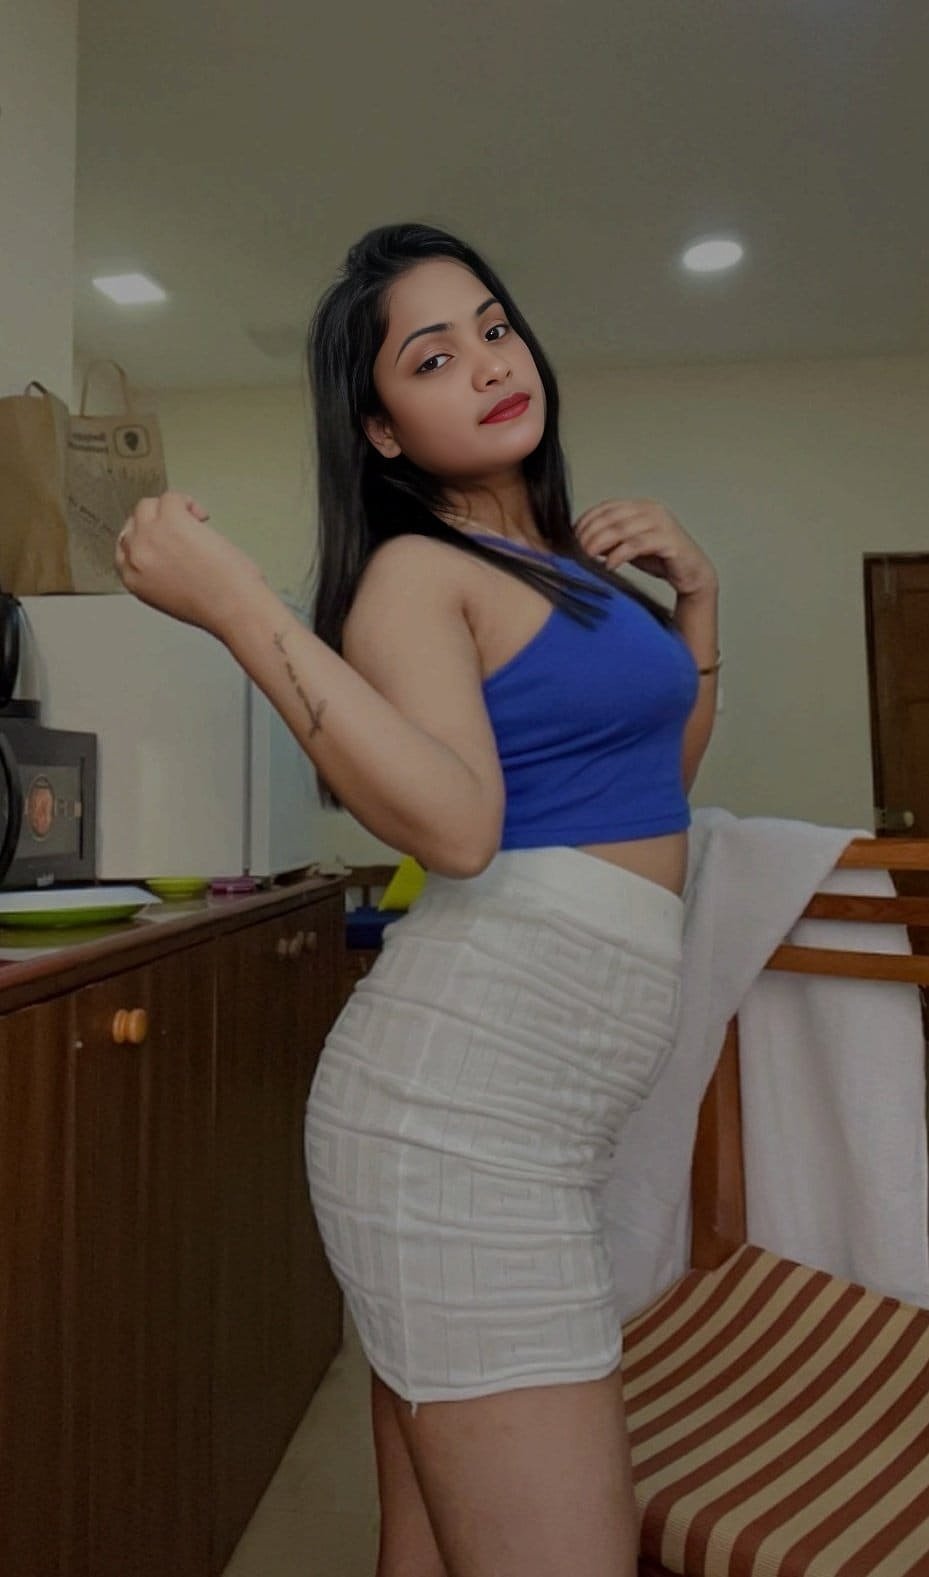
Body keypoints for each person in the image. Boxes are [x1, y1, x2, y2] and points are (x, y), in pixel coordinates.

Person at [115, 221, 719, 1577]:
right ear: (382, 430)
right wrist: (241, 605)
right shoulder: (414, 572)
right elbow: (457, 829)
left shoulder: (569, 569)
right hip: (460, 1122)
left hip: (533, 1120)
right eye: (433, 357)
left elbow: (654, 792)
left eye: (494, 329)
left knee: (431, 1548)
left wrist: (698, 603)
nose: (489, 363)